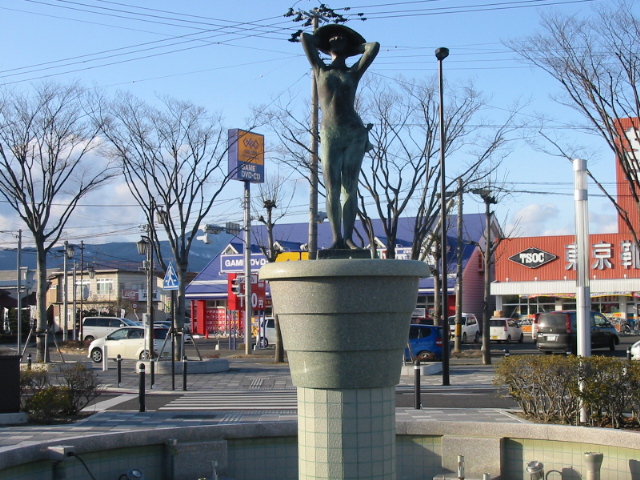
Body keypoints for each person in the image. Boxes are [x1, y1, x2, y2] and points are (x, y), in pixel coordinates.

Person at [301, 24, 380, 250]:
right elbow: (305, 38)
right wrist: (326, 43)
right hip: (330, 133)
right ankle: (336, 238)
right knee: (332, 188)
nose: (336, 38)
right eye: (332, 38)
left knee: (350, 187)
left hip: (354, 132)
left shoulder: (353, 72)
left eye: (341, 38)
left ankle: (347, 238)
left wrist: (354, 47)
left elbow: (373, 47)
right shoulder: (320, 70)